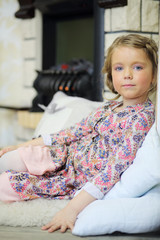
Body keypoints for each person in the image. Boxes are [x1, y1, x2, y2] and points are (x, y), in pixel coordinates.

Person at [0, 34, 158, 233]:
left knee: (4, 185)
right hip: (63, 156)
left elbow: (113, 170)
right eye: (119, 68)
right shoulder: (109, 107)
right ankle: (24, 160)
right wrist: (22, 146)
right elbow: (74, 132)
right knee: (8, 159)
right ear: (111, 75)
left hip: (73, 178)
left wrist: (72, 210)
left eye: (137, 67)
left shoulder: (141, 119)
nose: (127, 74)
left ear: (153, 75)